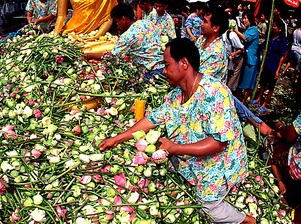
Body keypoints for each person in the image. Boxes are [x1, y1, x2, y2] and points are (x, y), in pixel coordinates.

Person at [99, 38, 255, 224]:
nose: (163, 71)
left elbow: (218, 144)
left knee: (208, 207)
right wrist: (118, 138)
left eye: (166, 65)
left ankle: (246, 220)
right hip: (193, 154)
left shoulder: (214, 94)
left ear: (184, 63)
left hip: (219, 163)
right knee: (168, 166)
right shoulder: (177, 94)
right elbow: (153, 119)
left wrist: (175, 148)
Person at [84, 4, 163, 76]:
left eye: (117, 21)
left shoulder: (127, 36)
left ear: (123, 18)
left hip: (152, 71)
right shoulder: (148, 23)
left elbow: (112, 57)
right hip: (164, 66)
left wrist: (91, 55)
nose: (117, 24)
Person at [253, 19, 288, 114]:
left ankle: (265, 103)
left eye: (275, 26)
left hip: (274, 64)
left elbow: (282, 56)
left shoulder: (282, 41)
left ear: (280, 29)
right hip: (267, 63)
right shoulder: (271, 37)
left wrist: (278, 70)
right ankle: (259, 98)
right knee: (263, 82)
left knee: (271, 85)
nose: (273, 28)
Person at [195, 6, 229, 83]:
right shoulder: (201, 39)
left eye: (205, 21)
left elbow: (200, 80)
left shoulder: (217, 52)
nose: (201, 23)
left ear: (216, 28)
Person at [234, 12, 259, 104]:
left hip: (251, 60)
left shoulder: (254, 30)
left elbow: (245, 38)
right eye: (243, 18)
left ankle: (243, 103)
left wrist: (235, 30)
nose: (244, 20)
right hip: (244, 59)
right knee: (241, 82)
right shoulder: (246, 30)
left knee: (247, 84)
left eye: (245, 18)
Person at [224, 19, 245, 91]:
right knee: (235, 73)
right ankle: (230, 89)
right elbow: (241, 47)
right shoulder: (232, 35)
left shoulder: (224, 33)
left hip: (228, 56)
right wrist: (235, 53)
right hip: (235, 57)